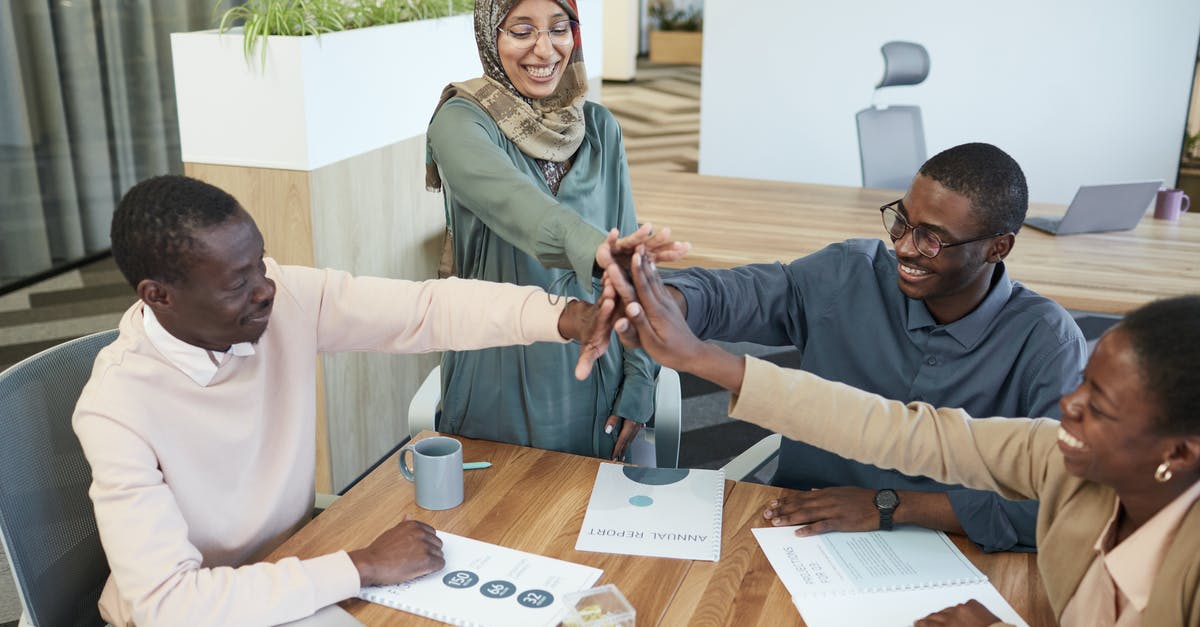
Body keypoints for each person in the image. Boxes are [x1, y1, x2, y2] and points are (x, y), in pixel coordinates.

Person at [72, 175, 619, 626]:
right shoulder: (116, 407)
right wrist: (362, 565)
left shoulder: (283, 299)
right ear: (158, 296)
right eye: (238, 283)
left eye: (261, 263)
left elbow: (423, 310)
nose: (265, 288)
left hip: (293, 566)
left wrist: (567, 316)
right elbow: (165, 602)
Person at [609, 251, 1200, 626]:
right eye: (1084, 385)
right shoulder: (1057, 456)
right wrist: (706, 360)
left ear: (1178, 452)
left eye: (1098, 406)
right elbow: (891, 430)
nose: (1068, 406)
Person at [655, 143, 1087, 551]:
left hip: (959, 552)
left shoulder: (1047, 342)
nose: (902, 246)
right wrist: (668, 303)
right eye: (901, 220)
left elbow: (1062, 504)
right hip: (798, 529)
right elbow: (737, 293)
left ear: (998, 247)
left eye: (931, 239)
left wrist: (893, 505)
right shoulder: (850, 274)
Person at [425, 0, 686, 461]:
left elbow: (632, 266)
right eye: (522, 31)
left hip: (595, 373)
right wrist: (598, 252)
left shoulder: (600, 128)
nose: (545, 50)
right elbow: (519, 207)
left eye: (559, 29)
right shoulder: (461, 122)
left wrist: (641, 379)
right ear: (491, 35)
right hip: (497, 377)